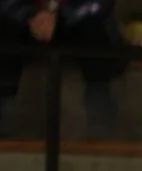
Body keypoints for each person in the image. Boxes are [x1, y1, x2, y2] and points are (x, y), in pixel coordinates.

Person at [0, 0, 124, 139]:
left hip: (78, 22)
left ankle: (100, 119)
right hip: (27, 24)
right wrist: (31, 16)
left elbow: (100, 4)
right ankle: (4, 113)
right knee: (7, 33)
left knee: (94, 33)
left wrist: (59, 15)